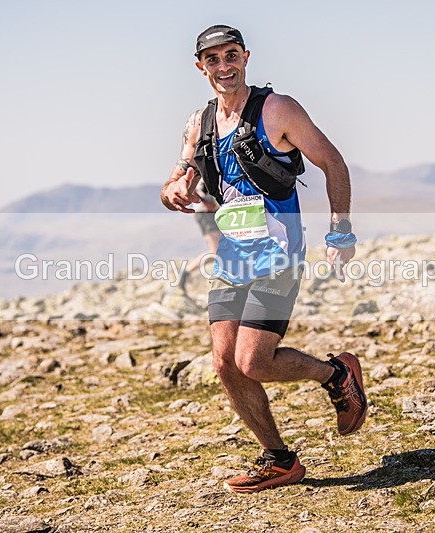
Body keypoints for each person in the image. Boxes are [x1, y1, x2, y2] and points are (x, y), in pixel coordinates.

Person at [160, 25, 367, 494]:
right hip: (232, 256)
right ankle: (280, 460)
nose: (223, 67)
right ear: (201, 67)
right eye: (212, 60)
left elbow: (333, 162)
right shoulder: (199, 122)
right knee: (224, 363)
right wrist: (173, 190)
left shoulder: (278, 110)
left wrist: (341, 229)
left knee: (253, 361)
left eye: (231, 56)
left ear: (245, 57)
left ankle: (336, 374)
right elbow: (180, 177)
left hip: (279, 255)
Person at [177, 182, 220, 292]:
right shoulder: (196, 168)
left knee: (222, 251)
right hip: (206, 213)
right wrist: (203, 200)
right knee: (216, 253)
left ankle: (185, 272)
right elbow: (190, 187)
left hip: (214, 211)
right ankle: (185, 272)